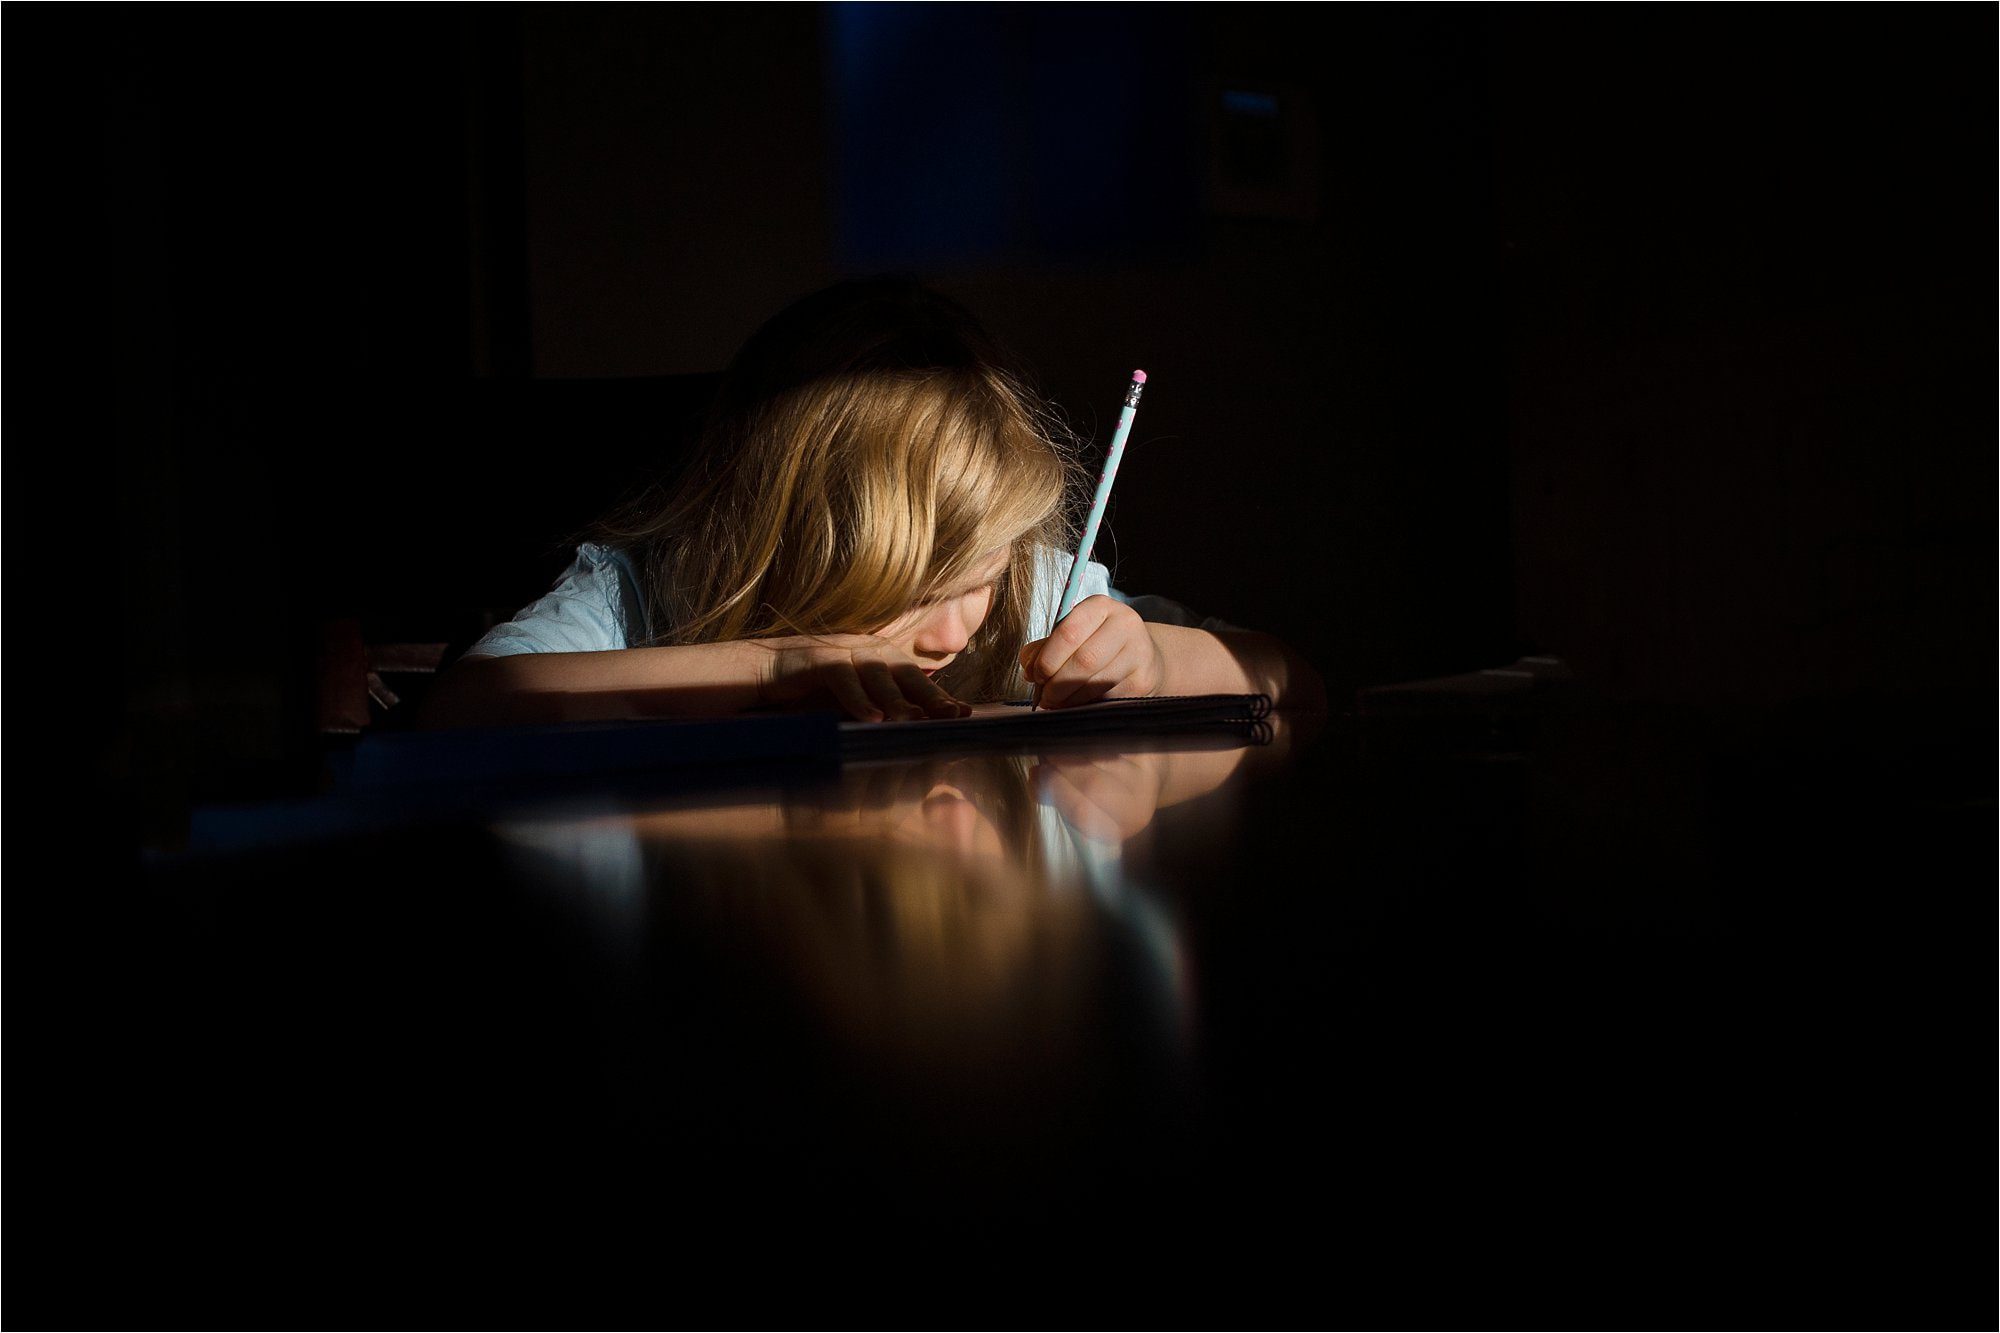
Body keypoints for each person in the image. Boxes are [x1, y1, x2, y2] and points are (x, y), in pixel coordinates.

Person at [421, 277, 1323, 728]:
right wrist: (775, 671)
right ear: (787, 543)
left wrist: (1158, 662)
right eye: (914, 588)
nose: (951, 633)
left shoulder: (1034, 597)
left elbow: (1290, 678)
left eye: (979, 578)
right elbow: (462, 705)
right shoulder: (644, 590)